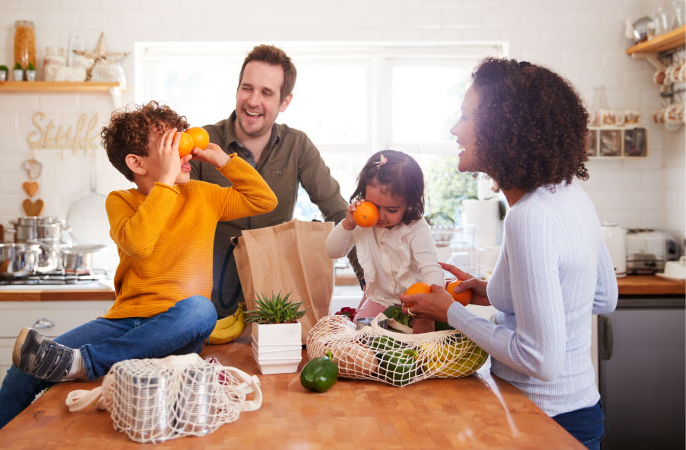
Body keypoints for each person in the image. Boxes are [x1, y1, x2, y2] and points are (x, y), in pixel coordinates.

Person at [0, 101, 278, 449]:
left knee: (201, 310)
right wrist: (166, 181)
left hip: (177, 327)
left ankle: (85, 363)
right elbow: (139, 243)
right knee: (23, 370)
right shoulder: (122, 201)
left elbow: (263, 200)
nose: (183, 150)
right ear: (136, 163)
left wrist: (223, 159)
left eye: (182, 140)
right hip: (126, 322)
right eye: (169, 145)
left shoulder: (203, 195)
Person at [399, 58, 618, 450]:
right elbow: (603, 295)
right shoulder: (570, 194)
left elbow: (539, 361)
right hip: (581, 413)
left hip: (543, 423)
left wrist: (450, 312)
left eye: (466, 116)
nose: (454, 129)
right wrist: (499, 291)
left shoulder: (528, 217)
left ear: (503, 128)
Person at [191, 44, 362, 318]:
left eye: (266, 92)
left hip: (275, 304)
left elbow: (341, 214)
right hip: (206, 301)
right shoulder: (202, 143)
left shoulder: (298, 146)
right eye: (247, 88)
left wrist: (369, 286)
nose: (253, 100)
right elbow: (175, 219)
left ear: (285, 102)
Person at [325, 149, 445, 334]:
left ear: (410, 203)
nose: (380, 216)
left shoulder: (416, 228)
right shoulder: (361, 221)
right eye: (374, 206)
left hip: (417, 303)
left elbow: (431, 270)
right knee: (360, 336)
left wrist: (429, 312)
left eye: (391, 209)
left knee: (421, 343)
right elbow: (333, 251)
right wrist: (348, 223)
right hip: (380, 299)